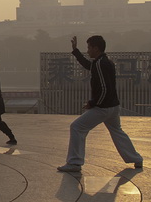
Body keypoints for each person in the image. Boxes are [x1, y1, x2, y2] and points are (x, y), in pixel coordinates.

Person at [57, 35, 143, 173]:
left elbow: (104, 88)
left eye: (89, 47)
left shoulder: (100, 64)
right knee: (117, 132)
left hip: (104, 108)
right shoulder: (105, 62)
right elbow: (88, 65)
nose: (88, 50)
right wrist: (76, 51)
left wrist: (93, 103)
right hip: (113, 107)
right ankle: (136, 159)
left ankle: (74, 162)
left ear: (96, 48)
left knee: (77, 127)